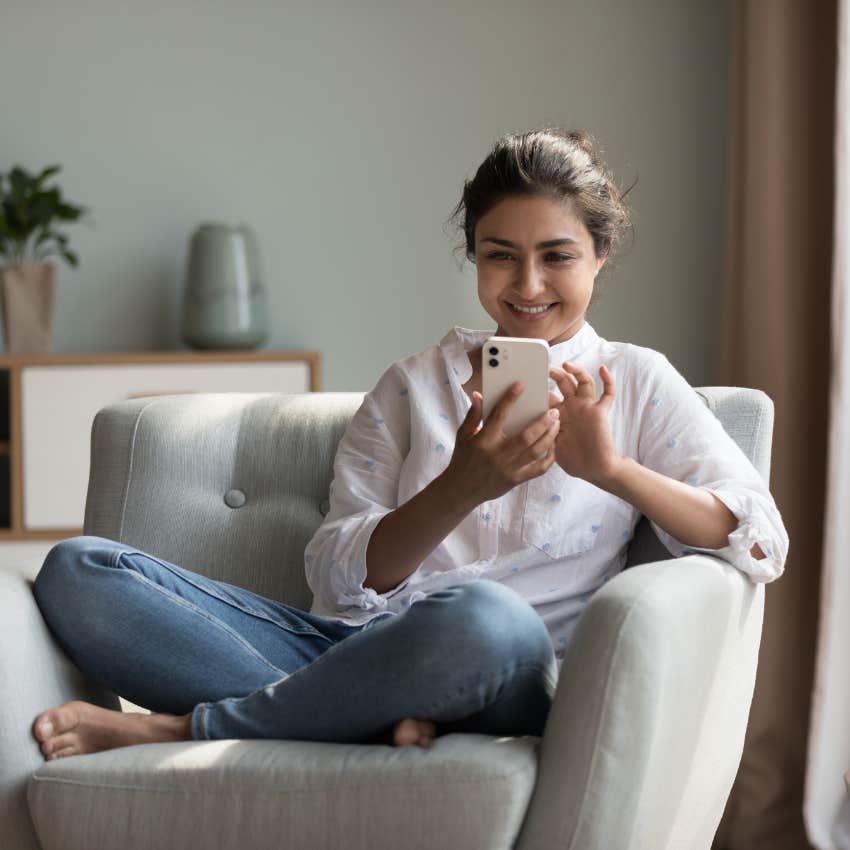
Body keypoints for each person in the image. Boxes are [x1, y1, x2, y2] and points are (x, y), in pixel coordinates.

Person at [31, 128, 789, 762]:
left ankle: (186, 728)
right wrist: (462, 485)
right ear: (473, 254)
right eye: (500, 255)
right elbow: (336, 579)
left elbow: (759, 542)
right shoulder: (410, 387)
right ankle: (360, 716)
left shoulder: (639, 382)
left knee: (482, 617)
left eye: (557, 256)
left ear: (599, 256)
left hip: (501, 666)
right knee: (80, 569)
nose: (527, 284)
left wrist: (613, 471)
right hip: (349, 650)